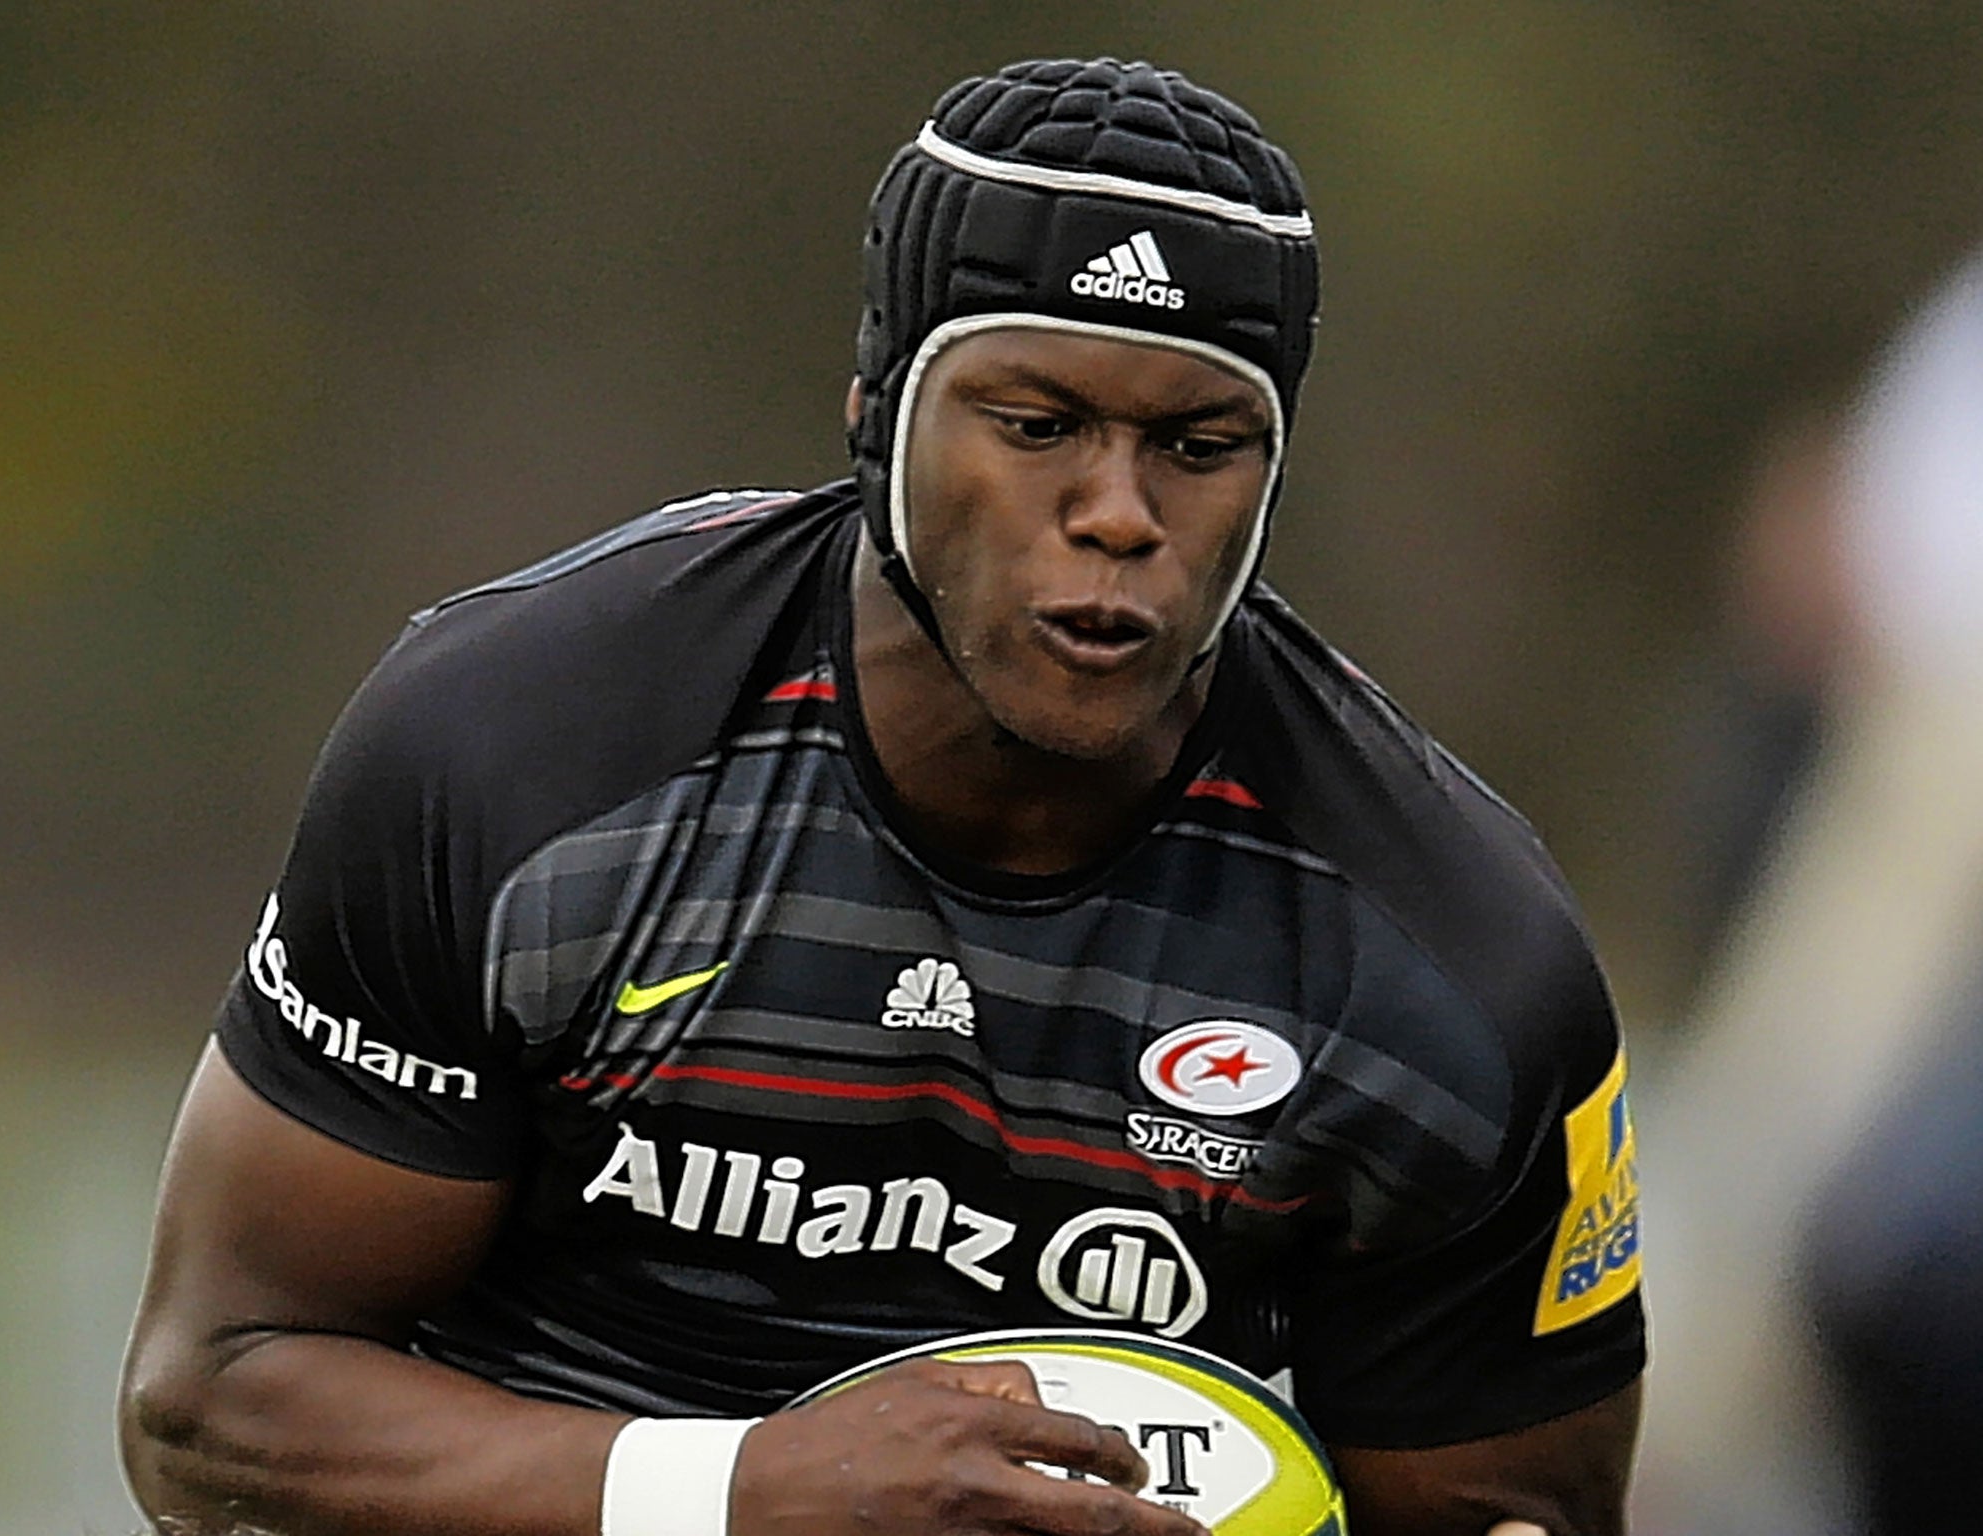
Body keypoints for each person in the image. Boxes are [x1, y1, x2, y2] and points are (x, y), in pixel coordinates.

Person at [118, 57, 1643, 1536]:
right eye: (1037, 425)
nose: (1118, 515)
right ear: (877, 415)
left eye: (1198, 444)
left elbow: (1508, 1514)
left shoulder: (1457, 970)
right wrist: (741, 1495)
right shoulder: (515, 747)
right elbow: (215, 1407)